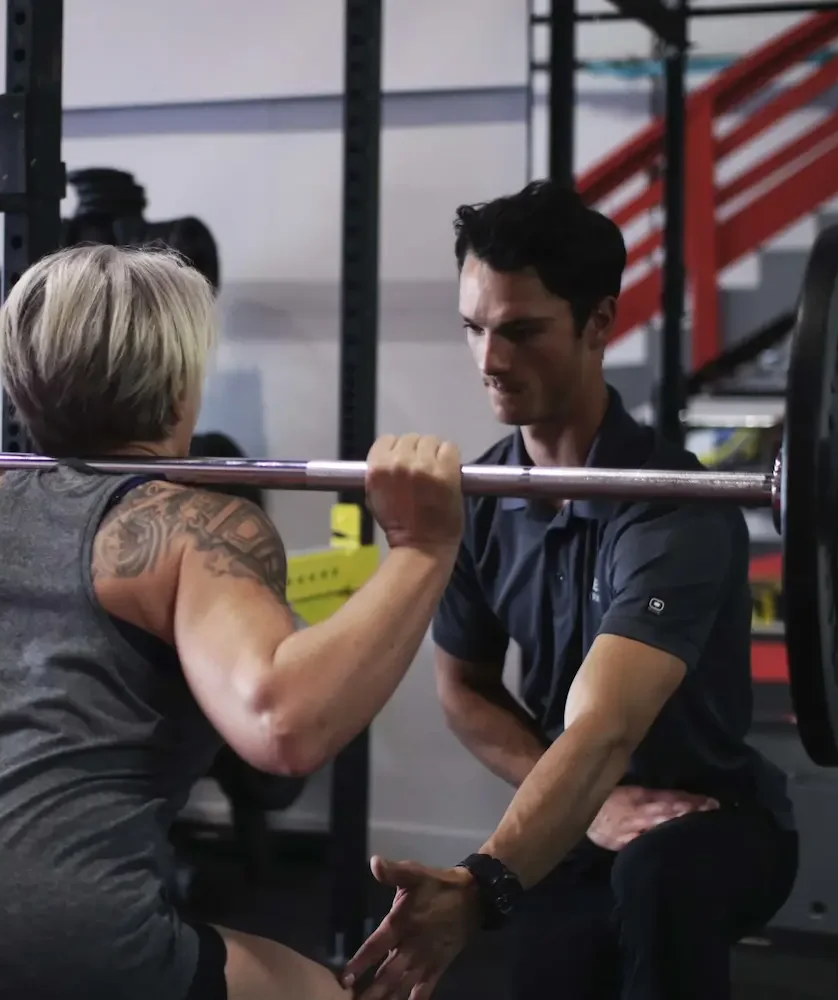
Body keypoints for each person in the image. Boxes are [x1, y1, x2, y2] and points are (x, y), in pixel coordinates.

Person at [0, 243, 467, 1000]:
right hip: (43, 936)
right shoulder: (193, 528)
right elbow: (283, 726)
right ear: (181, 385)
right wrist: (421, 547)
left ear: (22, 383)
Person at [342, 181, 799, 1000]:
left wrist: (485, 883)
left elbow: (605, 727)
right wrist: (591, 807)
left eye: (521, 331)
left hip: (716, 817)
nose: (490, 360)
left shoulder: (671, 508)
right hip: (584, 814)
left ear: (598, 324)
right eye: (474, 329)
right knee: (554, 966)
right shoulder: (476, 497)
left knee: (658, 878)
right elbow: (464, 691)